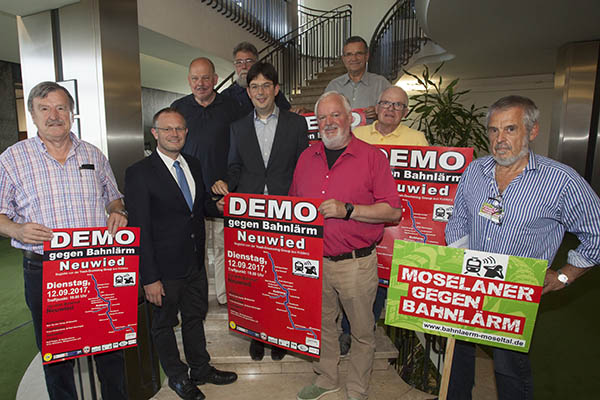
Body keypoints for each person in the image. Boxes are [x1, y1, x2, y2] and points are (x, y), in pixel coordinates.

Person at [445, 95, 600, 400]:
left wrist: (564, 277)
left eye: (510, 129)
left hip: (515, 293)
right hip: (469, 286)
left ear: (532, 131)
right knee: (456, 358)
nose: (500, 139)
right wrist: (463, 263)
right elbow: (458, 219)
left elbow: (597, 232)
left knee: (508, 368)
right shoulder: (475, 171)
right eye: (493, 130)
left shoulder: (560, 181)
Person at [0, 81, 128, 400]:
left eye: (61, 108)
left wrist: (118, 212)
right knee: (58, 356)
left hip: (96, 265)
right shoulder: (12, 159)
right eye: (45, 109)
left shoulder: (93, 154)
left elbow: (114, 199)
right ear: (33, 114)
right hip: (45, 271)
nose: (54, 115)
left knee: (110, 349)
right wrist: (16, 230)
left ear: (72, 113)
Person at [292, 92, 402, 400]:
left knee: (362, 331)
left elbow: (393, 211)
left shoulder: (371, 157)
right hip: (314, 261)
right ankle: (327, 379)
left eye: (335, 115)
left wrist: (349, 210)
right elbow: (291, 205)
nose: (329, 123)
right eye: (322, 117)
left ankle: (357, 388)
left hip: (356, 263)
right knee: (323, 325)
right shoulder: (306, 157)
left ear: (349, 118)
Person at [125, 108, 237, 400]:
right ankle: (177, 377)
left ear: (186, 133)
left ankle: (200, 368)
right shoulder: (139, 173)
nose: (174, 134)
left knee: (194, 318)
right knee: (163, 325)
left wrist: (219, 208)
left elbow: (196, 208)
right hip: (163, 270)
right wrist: (149, 278)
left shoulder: (193, 164)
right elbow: (140, 230)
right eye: (167, 129)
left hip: (194, 264)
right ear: (155, 133)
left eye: (180, 129)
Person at [212, 61, 309, 361]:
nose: (260, 91)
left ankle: (279, 334)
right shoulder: (238, 127)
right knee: (254, 275)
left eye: (266, 85)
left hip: (286, 211)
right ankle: (256, 332)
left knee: (281, 276)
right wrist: (226, 185)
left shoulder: (296, 124)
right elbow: (235, 166)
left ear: (276, 89)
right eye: (254, 86)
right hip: (250, 213)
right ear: (249, 91)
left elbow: (303, 167)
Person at [336, 86, 429, 355]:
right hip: (359, 218)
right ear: (376, 107)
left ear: (406, 112)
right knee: (353, 279)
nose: (390, 109)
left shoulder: (417, 139)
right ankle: (346, 331)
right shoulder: (358, 135)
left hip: (398, 222)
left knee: (383, 280)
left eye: (398, 105)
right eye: (386, 103)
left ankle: (367, 329)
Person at [171, 57, 241, 306]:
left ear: (214, 80)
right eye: (195, 78)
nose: (200, 83)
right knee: (193, 249)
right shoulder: (178, 108)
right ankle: (196, 297)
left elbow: (242, 147)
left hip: (223, 192)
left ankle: (224, 298)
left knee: (224, 247)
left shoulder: (232, 108)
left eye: (205, 78)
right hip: (189, 193)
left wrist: (231, 183)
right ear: (189, 81)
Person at [324, 36, 391, 123]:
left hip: (371, 136)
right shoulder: (333, 86)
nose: (354, 58)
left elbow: (394, 113)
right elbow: (324, 114)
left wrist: (380, 113)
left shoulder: (381, 84)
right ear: (343, 59)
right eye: (349, 54)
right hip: (341, 136)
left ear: (366, 56)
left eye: (359, 53)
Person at [220, 41, 292, 116]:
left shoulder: (270, 91)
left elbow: (287, 114)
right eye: (239, 62)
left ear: (256, 64)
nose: (244, 66)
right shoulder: (226, 96)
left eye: (248, 61)